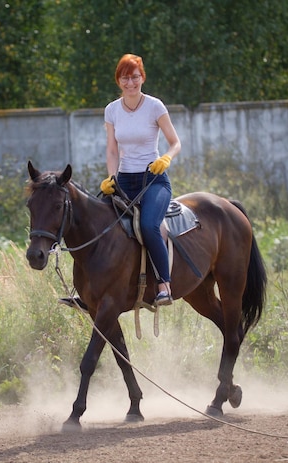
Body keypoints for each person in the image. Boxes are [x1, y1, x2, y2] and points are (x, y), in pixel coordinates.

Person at [100, 53, 182, 306]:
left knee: (148, 226)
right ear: (119, 81)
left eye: (135, 77)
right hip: (124, 180)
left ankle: (164, 286)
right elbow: (112, 150)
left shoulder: (155, 106)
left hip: (153, 180)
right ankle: (87, 289)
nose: (130, 83)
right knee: (95, 221)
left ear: (142, 78)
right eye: (125, 78)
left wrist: (166, 158)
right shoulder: (112, 110)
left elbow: (175, 142)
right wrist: (111, 178)